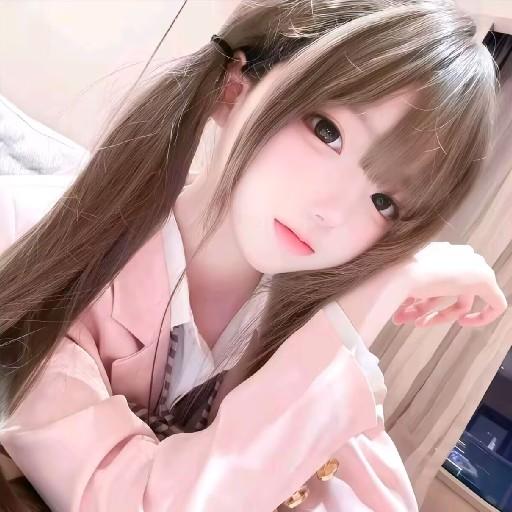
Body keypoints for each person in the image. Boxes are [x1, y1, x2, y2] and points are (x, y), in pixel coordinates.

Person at [0, 0, 508, 510]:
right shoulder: (31, 236)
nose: (331, 211)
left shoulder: (324, 342)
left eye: (385, 202)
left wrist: (365, 306)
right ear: (234, 88)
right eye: (327, 132)